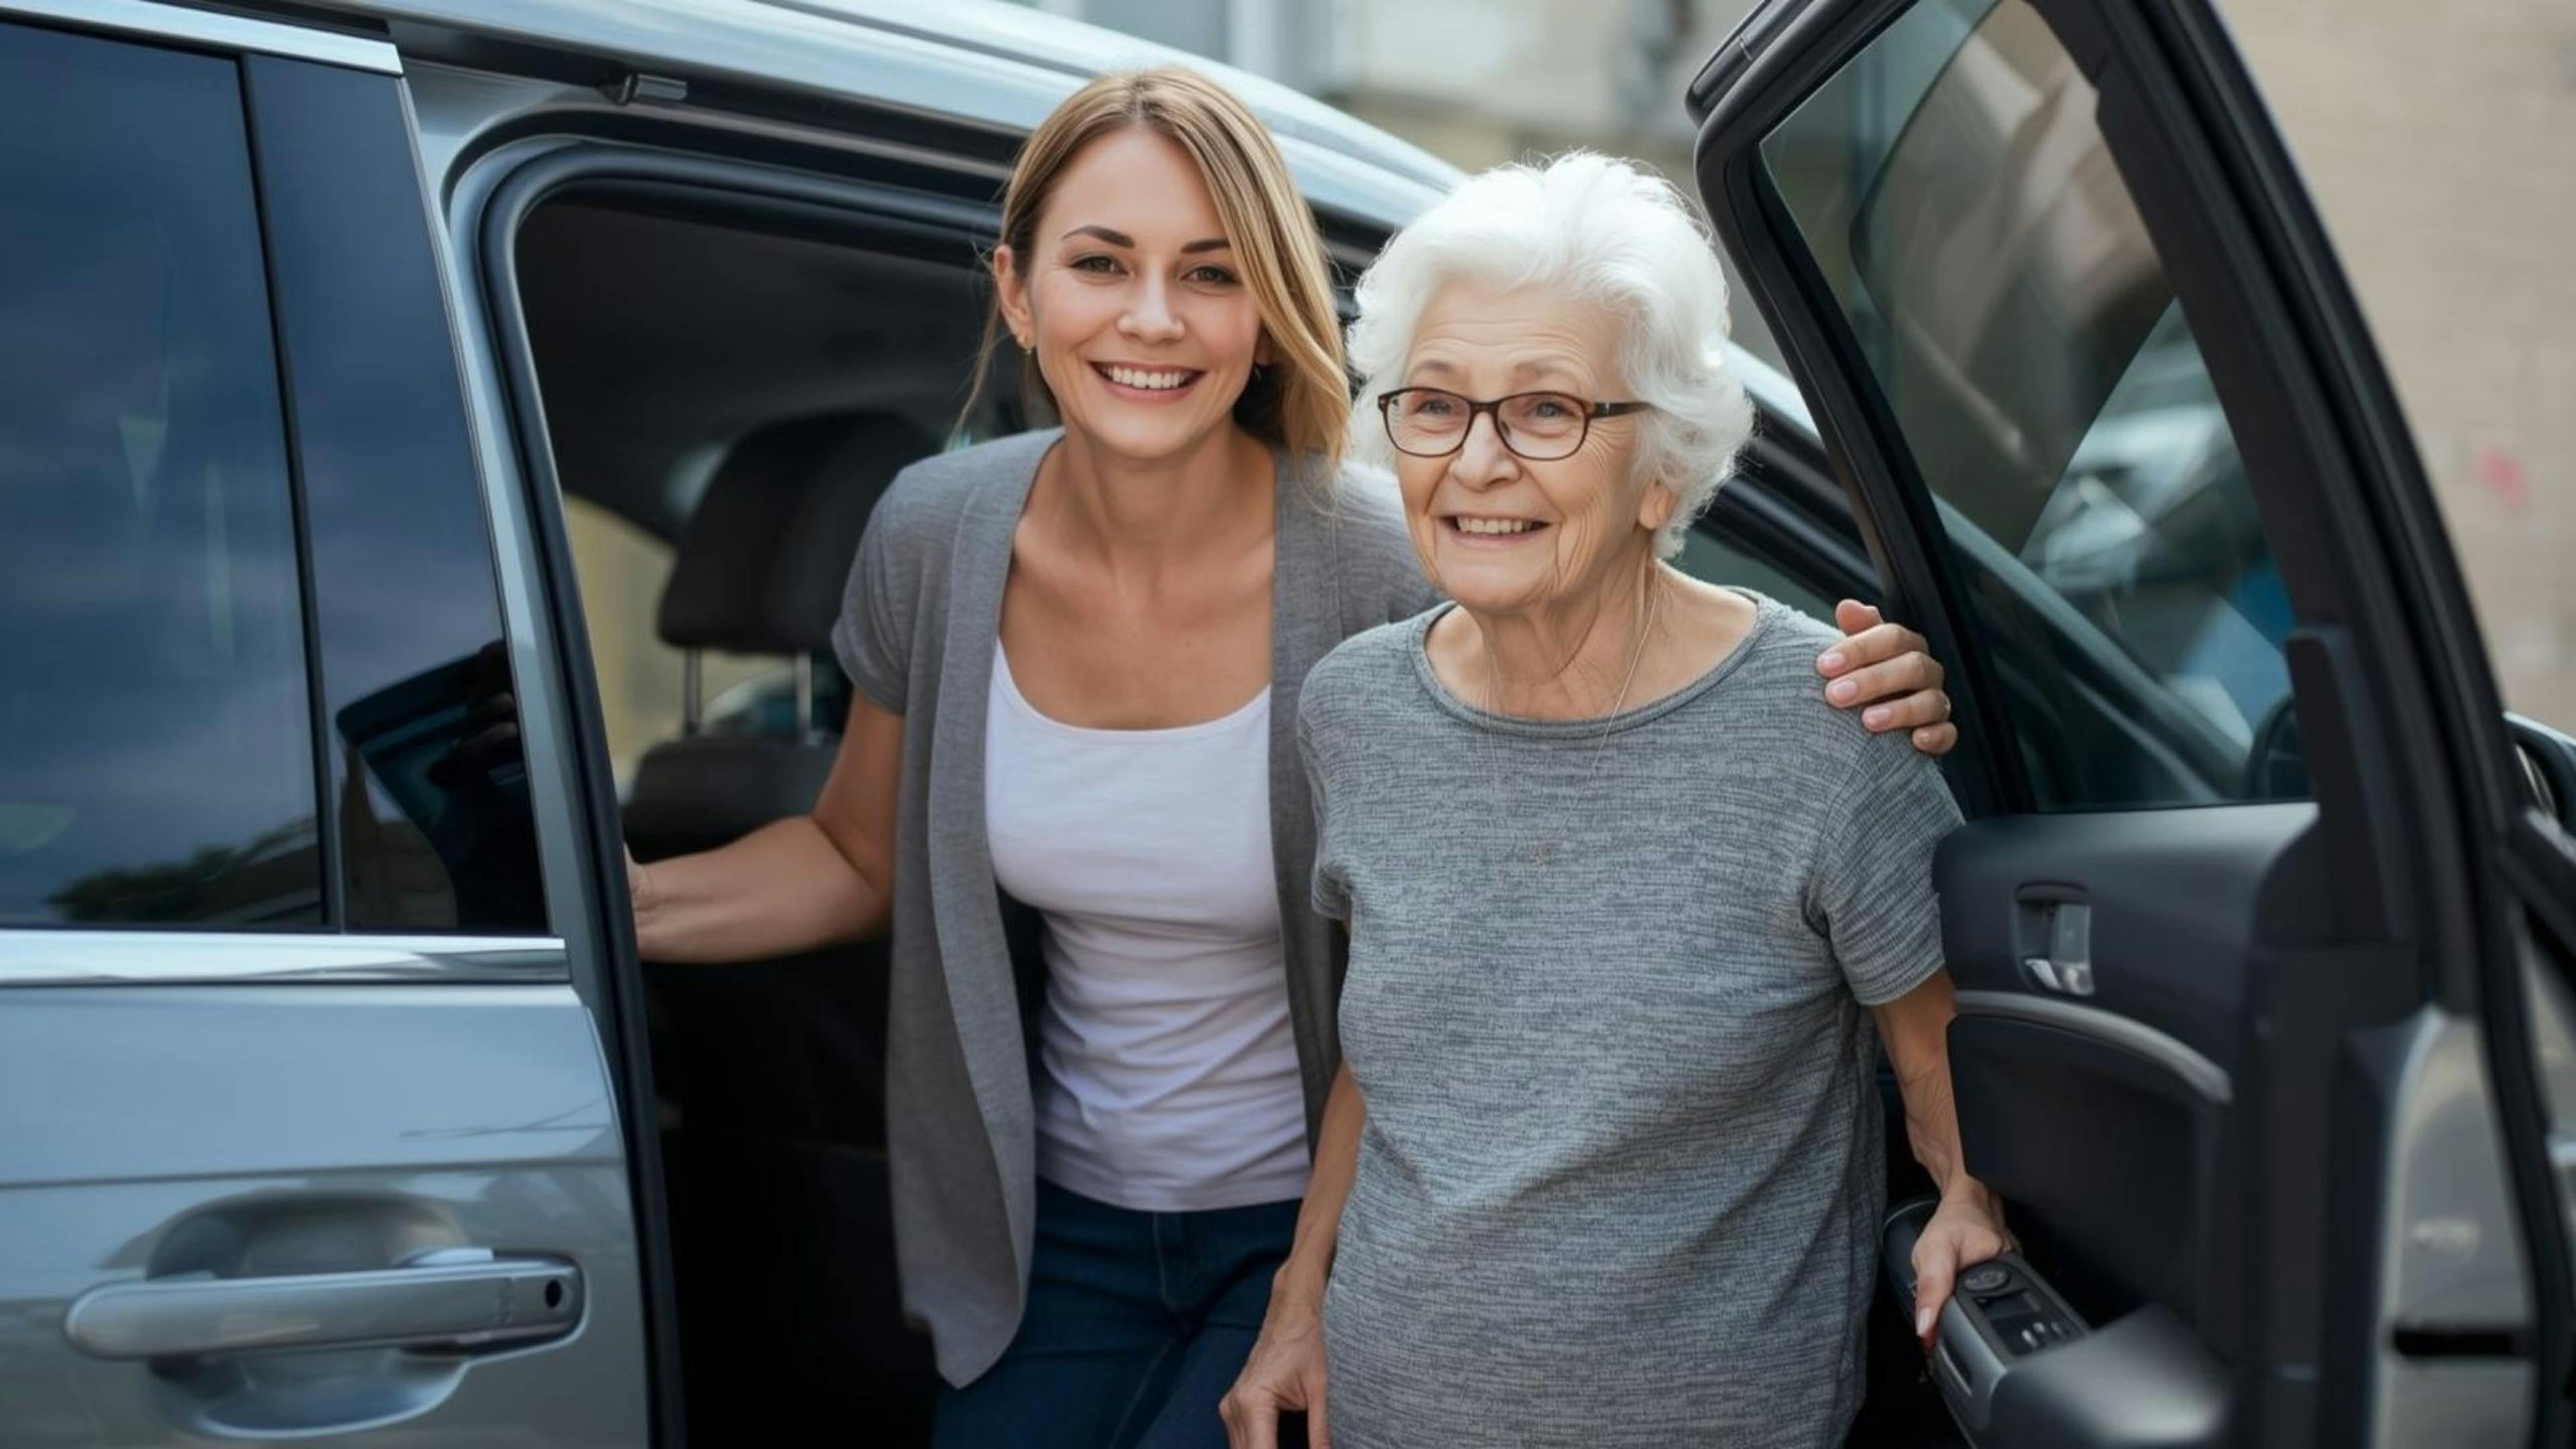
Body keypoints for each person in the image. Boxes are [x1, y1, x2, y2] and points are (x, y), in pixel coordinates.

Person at [627, 70, 1959, 1449]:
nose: (1153, 317)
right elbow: (855, 852)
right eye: (1101, 264)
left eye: (1211, 272)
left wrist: (1854, 686)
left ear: (1268, 311)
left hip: (1339, 1223)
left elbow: (1622, 695)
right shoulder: (947, 541)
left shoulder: (1402, 555)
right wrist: (602, 909)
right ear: (1017, 293)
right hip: (1057, 1226)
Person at [1222, 153, 2006, 1449]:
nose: (1478, 462)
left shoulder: (1825, 729)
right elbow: (1396, 1056)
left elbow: (1935, 1053)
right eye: (1436, 404)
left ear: (1663, 468)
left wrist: (1972, 1200)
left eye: (1546, 411)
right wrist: (1299, 1299)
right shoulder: (1352, 709)